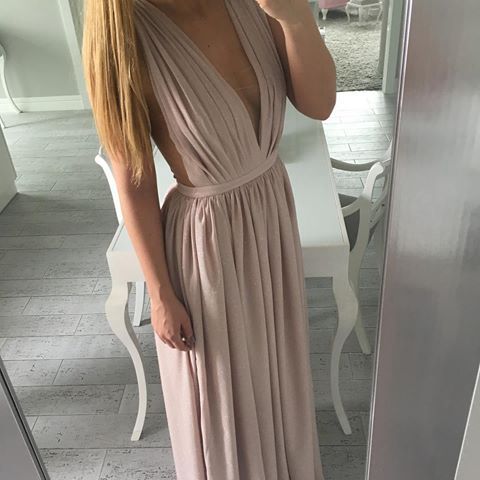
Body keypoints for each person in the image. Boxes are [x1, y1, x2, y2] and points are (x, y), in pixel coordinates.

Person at [83, 0, 336, 478]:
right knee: (224, 396)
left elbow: (319, 104)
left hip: (271, 214)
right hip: (206, 244)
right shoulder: (123, 33)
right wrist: (160, 293)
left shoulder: (253, 5)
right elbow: (134, 182)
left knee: (277, 371)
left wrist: (296, 18)